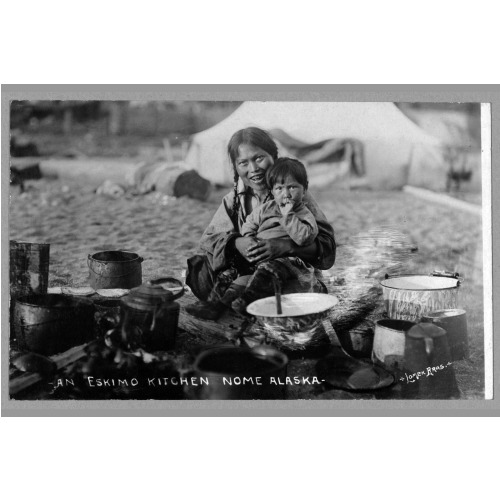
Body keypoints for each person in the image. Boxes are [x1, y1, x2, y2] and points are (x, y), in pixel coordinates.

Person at [185, 127, 336, 320]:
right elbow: (209, 240)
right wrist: (236, 242)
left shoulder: (294, 196)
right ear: (236, 167)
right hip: (249, 268)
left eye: (259, 158)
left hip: (287, 269)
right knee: (201, 268)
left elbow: (327, 247)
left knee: (287, 290)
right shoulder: (234, 201)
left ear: (273, 157)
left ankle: (244, 302)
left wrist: (287, 246)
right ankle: (230, 302)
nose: (253, 169)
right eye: (243, 163)